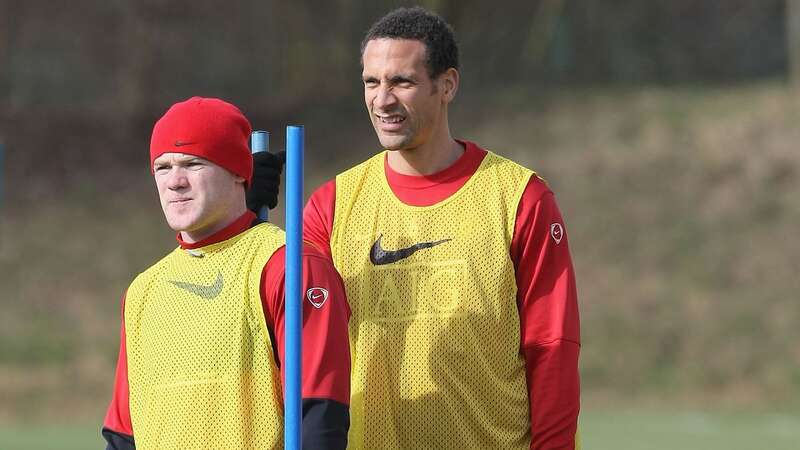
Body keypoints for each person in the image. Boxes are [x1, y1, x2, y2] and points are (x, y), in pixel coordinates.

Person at [250, 6, 581, 449]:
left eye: (401, 82)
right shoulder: (331, 205)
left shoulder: (520, 197)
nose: (382, 99)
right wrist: (244, 217)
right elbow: (281, 328)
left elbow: (552, 346)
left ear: (447, 85)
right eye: (371, 82)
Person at [102, 97, 351, 450]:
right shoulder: (143, 292)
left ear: (239, 171)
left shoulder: (289, 267)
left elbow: (320, 417)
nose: (175, 182)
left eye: (193, 164)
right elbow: (122, 436)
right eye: (163, 167)